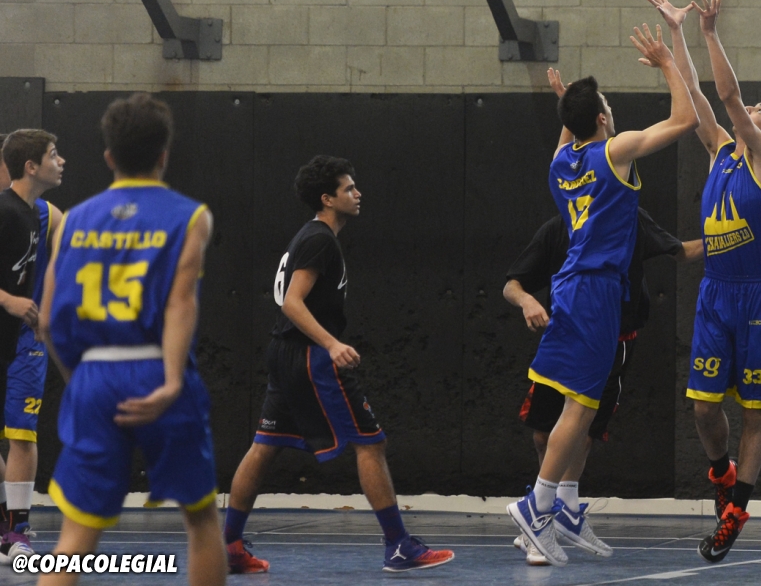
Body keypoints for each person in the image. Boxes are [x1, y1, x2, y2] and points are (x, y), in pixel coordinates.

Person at [506, 21, 699, 568]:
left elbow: (568, 134)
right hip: (595, 291)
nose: (611, 111)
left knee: (577, 407)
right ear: (600, 119)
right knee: (581, 407)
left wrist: (565, 106)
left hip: (569, 286)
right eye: (606, 106)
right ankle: (537, 506)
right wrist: (667, 62)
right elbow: (685, 119)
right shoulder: (615, 152)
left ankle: (555, 506)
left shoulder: (560, 163)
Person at [221, 155, 454, 574]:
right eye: (349, 188)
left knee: (265, 446)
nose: (358, 193)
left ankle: (229, 548)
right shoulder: (319, 240)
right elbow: (292, 303)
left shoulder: (312, 236)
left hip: (285, 353)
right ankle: (399, 546)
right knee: (371, 443)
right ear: (327, 199)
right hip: (309, 356)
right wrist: (330, 343)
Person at [36, 94, 226, 586]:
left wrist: (79, 379)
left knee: (74, 537)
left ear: (108, 157)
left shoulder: (71, 221)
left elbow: (48, 321)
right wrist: (170, 381)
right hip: (155, 367)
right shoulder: (191, 217)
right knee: (202, 520)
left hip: (95, 375)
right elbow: (180, 303)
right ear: (163, 155)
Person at [647, 0, 761, 563]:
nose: (748, 111)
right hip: (715, 294)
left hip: (756, 299)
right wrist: (677, 32)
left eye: (760, 112)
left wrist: (710, 31)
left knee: (755, 411)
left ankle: (737, 510)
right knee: (705, 408)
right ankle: (721, 474)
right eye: (752, 107)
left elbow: (727, 95)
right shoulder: (721, 151)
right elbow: (697, 96)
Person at [504, 200, 703, 565]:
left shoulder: (629, 218)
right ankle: (543, 513)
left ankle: (557, 510)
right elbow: (512, 285)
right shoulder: (557, 228)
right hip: (567, 334)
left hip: (615, 339)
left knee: (584, 429)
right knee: (545, 434)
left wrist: (730, 237)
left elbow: (682, 251)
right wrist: (527, 301)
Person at [0, 130, 64, 563]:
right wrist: (8, 300)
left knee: (22, 432)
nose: (62, 162)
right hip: (6, 329)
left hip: (25, 340)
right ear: (30, 166)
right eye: (54, 155)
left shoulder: (41, 212)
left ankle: (16, 531)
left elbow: (71, 232)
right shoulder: (5, 211)